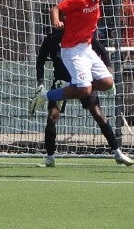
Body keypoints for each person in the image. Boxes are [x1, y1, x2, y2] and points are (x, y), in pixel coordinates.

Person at [32, 0, 127, 165]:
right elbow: (55, 9)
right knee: (83, 90)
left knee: (107, 83)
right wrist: (56, 20)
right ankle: (46, 95)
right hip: (72, 51)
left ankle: (117, 151)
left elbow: (98, 45)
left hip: (86, 48)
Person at [33, 26, 123, 168]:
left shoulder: (81, 35)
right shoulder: (51, 39)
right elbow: (40, 60)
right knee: (52, 117)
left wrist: (108, 70)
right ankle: (50, 157)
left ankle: (118, 152)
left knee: (98, 114)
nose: (64, 22)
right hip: (62, 82)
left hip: (83, 81)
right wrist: (40, 83)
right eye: (62, 18)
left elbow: (102, 51)